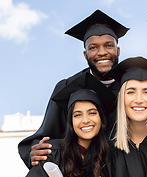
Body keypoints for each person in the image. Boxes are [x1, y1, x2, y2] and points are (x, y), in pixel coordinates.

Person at [0, 73, 117, 177]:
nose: (85, 120)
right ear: (69, 121)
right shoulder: (53, 152)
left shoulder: (112, 155)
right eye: (77, 115)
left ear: (101, 118)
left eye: (92, 113)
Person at [18, 9, 129, 168]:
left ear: (118, 50)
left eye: (109, 45)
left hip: (123, 172)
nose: (102, 52)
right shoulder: (68, 87)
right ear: (85, 55)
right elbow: (47, 133)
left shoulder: (131, 87)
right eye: (93, 48)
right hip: (78, 171)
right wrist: (33, 151)